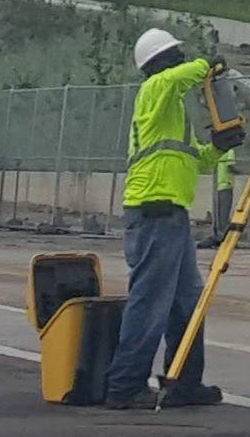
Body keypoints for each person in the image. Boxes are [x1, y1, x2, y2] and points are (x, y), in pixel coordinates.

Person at [103, 24, 242, 406]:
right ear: (159, 63)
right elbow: (181, 76)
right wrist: (206, 65)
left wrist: (216, 148)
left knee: (187, 303)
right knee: (150, 303)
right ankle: (125, 386)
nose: (182, 60)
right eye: (175, 55)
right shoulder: (155, 90)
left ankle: (184, 381)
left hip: (171, 215)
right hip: (153, 211)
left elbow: (193, 161)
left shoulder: (170, 110)